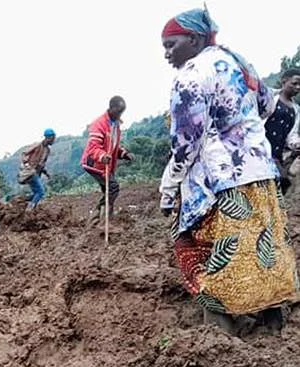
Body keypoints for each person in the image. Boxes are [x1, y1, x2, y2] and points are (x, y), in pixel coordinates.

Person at [159, 7, 299, 334]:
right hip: (260, 172)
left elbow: (185, 143)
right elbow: (267, 104)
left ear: (193, 39)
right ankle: (271, 322)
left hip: (220, 180)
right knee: (261, 247)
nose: (167, 53)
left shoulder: (190, 76)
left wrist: (169, 186)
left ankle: (220, 333)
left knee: (205, 251)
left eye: (171, 44)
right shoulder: (238, 62)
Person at [81, 97, 135, 223]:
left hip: (104, 163)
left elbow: (113, 146)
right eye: (118, 111)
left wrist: (124, 154)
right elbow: (93, 148)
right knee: (113, 187)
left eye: (122, 112)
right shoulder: (99, 124)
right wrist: (102, 156)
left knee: (108, 190)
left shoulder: (115, 125)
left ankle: (103, 217)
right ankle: (99, 216)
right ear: (111, 108)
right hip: (94, 164)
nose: (120, 114)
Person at [264, 69, 300, 191]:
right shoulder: (270, 98)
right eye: (294, 83)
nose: (298, 87)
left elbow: (291, 135)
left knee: (280, 185)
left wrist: (296, 144)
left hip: (277, 154)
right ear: (284, 81)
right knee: (280, 182)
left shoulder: (296, 109)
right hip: (262, 151)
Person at [18, 129, 56, 211]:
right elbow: (24, 153)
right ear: (48, 138)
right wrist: (26, 164)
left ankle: (20, 200)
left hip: (36, 173)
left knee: (37, 193)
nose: (54, 140)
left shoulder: (47, 150)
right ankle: (29, 209)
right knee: (40, 192)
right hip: (30, 172)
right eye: (53, 138)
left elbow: (41, 164)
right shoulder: (37, 145)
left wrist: (46, 173)